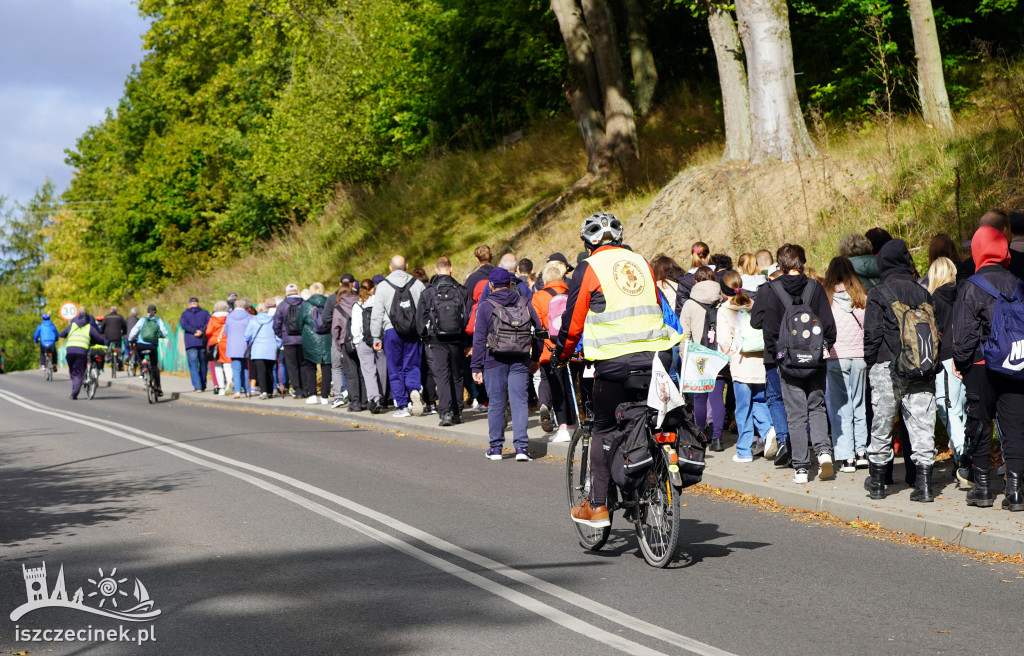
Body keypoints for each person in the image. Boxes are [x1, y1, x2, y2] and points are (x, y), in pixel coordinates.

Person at [554, 213, 680, 526]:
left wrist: (561, 353)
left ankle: (597, 505)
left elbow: (573, 320)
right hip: (657, 356)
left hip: (614, 361)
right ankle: (649, 468)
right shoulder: (641, 262)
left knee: (603, 428)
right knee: (647, 416)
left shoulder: (589, 267)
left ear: (587, 242)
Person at [751, 244, 837, 485]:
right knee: (817, 407)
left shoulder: (771, 289)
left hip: (788, 363)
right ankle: (823, 453)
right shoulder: (815, 287)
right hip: (816, 361)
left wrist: (779, 355)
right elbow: (829, 326)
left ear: (781, 264)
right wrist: (823, 350)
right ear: (803, 262)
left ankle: (801, 467)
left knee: (796, 414)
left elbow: (768, 329)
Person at [952, 226, 1024, 510]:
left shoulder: (971, 286)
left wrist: (961, 362)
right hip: (1015, 363)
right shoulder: (1019, 284)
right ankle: (1016, 491)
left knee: (980, 425)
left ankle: (982, 490)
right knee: (1015, 426)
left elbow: (964, 333)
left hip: (981, 365)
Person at [863, 239, 938, 502]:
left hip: (886, 365)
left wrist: (870, 363)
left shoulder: (878, 292)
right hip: (921, 366)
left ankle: (878, 484)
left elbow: (872, 334)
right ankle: (925, 486)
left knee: (882, 423)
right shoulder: (923, 292)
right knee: (922, 424)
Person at [473, 267, 542, 461]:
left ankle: (496, 449)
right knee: (519, 402)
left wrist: (475, 366)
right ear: (511, 284)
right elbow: (538, 332)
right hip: (520, 359)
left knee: (496, 403)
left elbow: (479, 338)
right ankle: (521, 448)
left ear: (491, 285)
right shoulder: (524, 303)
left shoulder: (486, 306)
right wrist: (535, 357)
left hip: (494, 359)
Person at [716, 271, 772, 462]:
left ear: (724, 291)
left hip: (740, 364)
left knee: (743, 408)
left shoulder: (724, 310)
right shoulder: (752, 304)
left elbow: (723, 341)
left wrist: (729, 354)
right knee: (760, 401)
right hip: (760, 363)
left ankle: (744, 451)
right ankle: (769, 432)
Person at [824, 256, 869, 473]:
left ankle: (846, 456)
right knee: (860, 403)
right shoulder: (862, 296)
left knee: (841, 406)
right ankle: (862, 452)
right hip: (860, 357)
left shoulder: (826, 299)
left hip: (836, 356)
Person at [417, 257, 470, 426]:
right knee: (457, 374)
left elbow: (420, 319)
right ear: (451, 269)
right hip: (457, 338)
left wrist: (425, 338)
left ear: (436, 269)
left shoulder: (429, 291)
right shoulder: (461, 290)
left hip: (436, 339)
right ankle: (458, 411)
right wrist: (467, 340)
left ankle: (445, 412)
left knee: (441, 375)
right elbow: (468, 317)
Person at [372, 255, 426, 418]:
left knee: (395, 368)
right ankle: (415, 389)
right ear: (407, 266)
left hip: (391, 331)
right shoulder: (417, 284)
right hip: (413, 331)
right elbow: (424, 310)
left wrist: (375, 337)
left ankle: (402, 405)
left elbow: (377, 315)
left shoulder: (382, 286)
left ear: (390, 268)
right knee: (412, 364)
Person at [680, 265, 727, 451]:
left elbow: (685, 334)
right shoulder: (722, 300)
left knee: (699, 399)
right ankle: (717, 439)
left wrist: (685, 357)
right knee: (717, 398)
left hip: (697, 355)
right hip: (718, 355)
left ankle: (700, 437)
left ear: (696, 281)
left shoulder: (690, 303)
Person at [532, 260, 576, 442]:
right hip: (572, 347)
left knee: (556, 389)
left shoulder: (539, 296)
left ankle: (563, 427)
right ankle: (573, 426)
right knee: (570, 387)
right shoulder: (571, 293)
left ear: (544, 279)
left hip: (549, 350)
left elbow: (536, 326)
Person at [928, 256, 965, 466]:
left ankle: (962, 454)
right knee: (963, 408)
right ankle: (966, 452)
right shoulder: (964, 293)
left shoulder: (933, 299)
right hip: (967, 355)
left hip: (945, 358)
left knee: (946, 407)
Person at [353, 279, 388, 413]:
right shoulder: (379, 302)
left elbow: (355, 328)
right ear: (373, 288)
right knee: (382, 370)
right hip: (380, 339)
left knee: (369, 372)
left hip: (364, 341)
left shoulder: (358, 305)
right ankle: (383, 398)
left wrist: (357, 343)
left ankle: (374, 398)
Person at [298, 282, 333, 405]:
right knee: (327, 366)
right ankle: (325, 396)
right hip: (327, 338)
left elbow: (298, 323)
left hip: (310, 338)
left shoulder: (305, 305)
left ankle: (313, 395)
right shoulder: (330, 302)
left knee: (310, 367)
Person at [59, 307, 106, 399]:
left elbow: (61, 334)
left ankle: (74, 387)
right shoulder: (89, 327)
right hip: (81, 352)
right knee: (79, 373)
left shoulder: (72, 326)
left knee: (73, 371)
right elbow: (99, 339)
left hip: (70, 351)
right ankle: (74, 393)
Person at [274, 283, 311, 398]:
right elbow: (310, 320)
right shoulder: (305, 304)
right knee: (304, 364)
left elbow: (276, 325)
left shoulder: (282, 305)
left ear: (286, 292)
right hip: (303, 339)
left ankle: (297, 390)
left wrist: (282, 336)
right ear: (297, 291)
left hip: (288, 340)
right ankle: (306, 389)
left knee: (292, 365)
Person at [332, 280, 364, 410]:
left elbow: (335, 329)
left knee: (350, 374)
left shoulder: (339, 308)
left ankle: (355, 402)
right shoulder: (360, 303)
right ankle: (365, 400)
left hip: (346, 342)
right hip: (361, 340)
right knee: (362, 372)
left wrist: (338, 344)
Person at [327, 273, 357, 407]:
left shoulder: (334, 301)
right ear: (353, 284)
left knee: (337, 367)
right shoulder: (359, 300)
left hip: (341, 339)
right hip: (358, 339)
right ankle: (358, 397)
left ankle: (339, 396)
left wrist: (338, 342)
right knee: (357, 369)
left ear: (340, 285)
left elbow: (327, 321)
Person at [128, 305, 169, 395]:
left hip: (141, 345)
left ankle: (143, 370)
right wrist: (161, 336)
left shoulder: (142, 320)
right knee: (154, 366)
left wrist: (130, 339)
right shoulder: (158, 320)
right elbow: (164, 333)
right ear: (155, 312)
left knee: (140, 358)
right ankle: (158, 387)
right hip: (152, 346)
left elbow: (134, 331)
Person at [245, 302, 282, 400]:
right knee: (270, 371)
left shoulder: (253, 321)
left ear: (257, 310)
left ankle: (264, 391)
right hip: (270, 348)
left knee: (261, 371)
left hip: (257, 350)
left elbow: (246, 335)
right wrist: (277, 346)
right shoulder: (272, 321)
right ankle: (270, 391)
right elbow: (278, 336)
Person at [179, 296, 211, 392]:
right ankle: (203, 384)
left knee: (193, 365)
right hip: (202, 341)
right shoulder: (205, 313)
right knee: (203, 364)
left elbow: (183, 324)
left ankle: (197, 387)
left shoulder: (185, 314)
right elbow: (209, 323)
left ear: (189, 305)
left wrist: (193, 331)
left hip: (190, 342)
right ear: (198, 303)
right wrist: (201, 331)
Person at [225, 297, 253, 398]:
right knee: (246, 369)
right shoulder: (249, 316)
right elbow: (251, 331)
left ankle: (237, 391)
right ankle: (247, 391)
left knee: (236, 369)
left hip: (233, 346)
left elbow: (226, 331)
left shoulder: (229, 317)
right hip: (245, 345)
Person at [206, 301, 232, 395]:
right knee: (227, 364)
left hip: (216, 343)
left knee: (217, 366)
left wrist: (213, 338)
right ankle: (229, 382)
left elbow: (208, 332)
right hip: (227, 343)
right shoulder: (229, 317)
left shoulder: (213, 319)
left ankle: (221, 388)